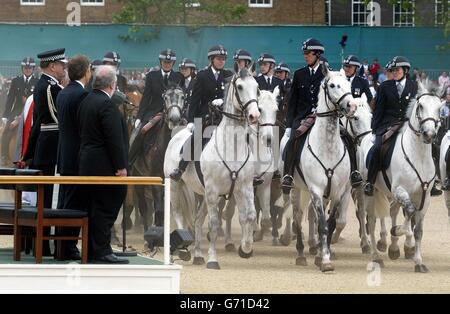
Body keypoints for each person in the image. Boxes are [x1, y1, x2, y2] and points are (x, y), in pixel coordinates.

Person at [77, 65, 129, 264]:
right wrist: (121, 166)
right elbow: (114, 140)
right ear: (112, 85)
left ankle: (92, 249)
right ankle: (102, 250)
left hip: (86, 162)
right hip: (104, 166)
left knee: (93, 208)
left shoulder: (86, 100)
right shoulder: (107, 105)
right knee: (106, 207)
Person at [22, 48, 68, 256]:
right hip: (52, 148)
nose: (63, 69)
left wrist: (28, 153)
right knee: (48, 198)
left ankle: (41, 244)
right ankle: (45, 245)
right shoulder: (50, 88)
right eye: (61, 65)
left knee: (46, 198)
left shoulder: (46, 86)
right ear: (52, 66)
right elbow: (57, 119)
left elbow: (36, 125)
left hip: (44, 147)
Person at [170, 45, 233, 181]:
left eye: (223, 59)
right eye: (219, 58)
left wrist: (223, 100)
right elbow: (194, 100)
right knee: (197, 136)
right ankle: (181, 168)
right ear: (211, 59)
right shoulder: (203, 75)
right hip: (206, 115)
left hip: (224, 116)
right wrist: (192, 120)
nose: (222, 61)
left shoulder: (228, 75)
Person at [364, 56, 418, 196]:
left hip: (408, 125)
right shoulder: (384, 87)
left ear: (405, 70)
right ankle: (370, 181)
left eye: (397, 69)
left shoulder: (414, 86)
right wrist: (375, 130)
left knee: (430, 145)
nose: (394, 72)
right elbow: (378, 110)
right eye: (392, 70)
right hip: (387, 125)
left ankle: (431, 180)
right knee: (376, 148)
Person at [55, 55, 91, 260]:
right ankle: (69, 246)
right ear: (85, 72)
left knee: (65, 202)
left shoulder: (64, 92)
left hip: (65, 155)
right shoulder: (81, 95)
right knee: (75, 204)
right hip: (78, 157)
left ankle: (63, 244)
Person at [281, 38, 325, 191]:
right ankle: (288, 175)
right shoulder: (299, 74)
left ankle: (353, 171)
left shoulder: (327, 74)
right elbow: (292, 101)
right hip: (302, 118)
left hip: (323, 117)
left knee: (346, 138)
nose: (305, 56)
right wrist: (289, 125)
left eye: (308, 53)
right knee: (292, 141)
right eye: (304, 53)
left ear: (317, 54)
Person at [129, 49, 184, 167]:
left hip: (174, 113)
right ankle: (130, 161)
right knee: (140, 131)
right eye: (165, 62)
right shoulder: (151, 76)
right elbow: (146, 98)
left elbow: (182, 98)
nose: (167, 64)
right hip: (153, 113)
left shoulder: (179, 77)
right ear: (161, 62)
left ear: (173, 63)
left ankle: (185, 165)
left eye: (169, 62)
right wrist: (139, 117)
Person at [1, 57, 38, 165]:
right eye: (25, 67)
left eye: (30, 68)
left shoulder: (37, 82)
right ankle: (4, 155)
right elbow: (10, 99)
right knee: (7, 130)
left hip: (32, 112)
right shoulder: (16, 81)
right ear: (22, 68)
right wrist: (6, 116)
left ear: (33, 69)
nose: (28, 70)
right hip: (17, 111)